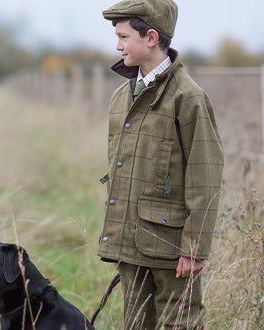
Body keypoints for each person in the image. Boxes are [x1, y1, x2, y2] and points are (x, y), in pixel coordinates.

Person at [94, 0, 223, 328]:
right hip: (133, 245)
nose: (117, 45)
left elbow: (204, 176)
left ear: (151, 38)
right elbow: (122, 170)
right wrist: (121, 240)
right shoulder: (121, 96)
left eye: (124, 37)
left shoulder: (188, 98)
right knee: (136, 323)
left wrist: (194, 247)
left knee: (180, 323)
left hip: (171, 249)